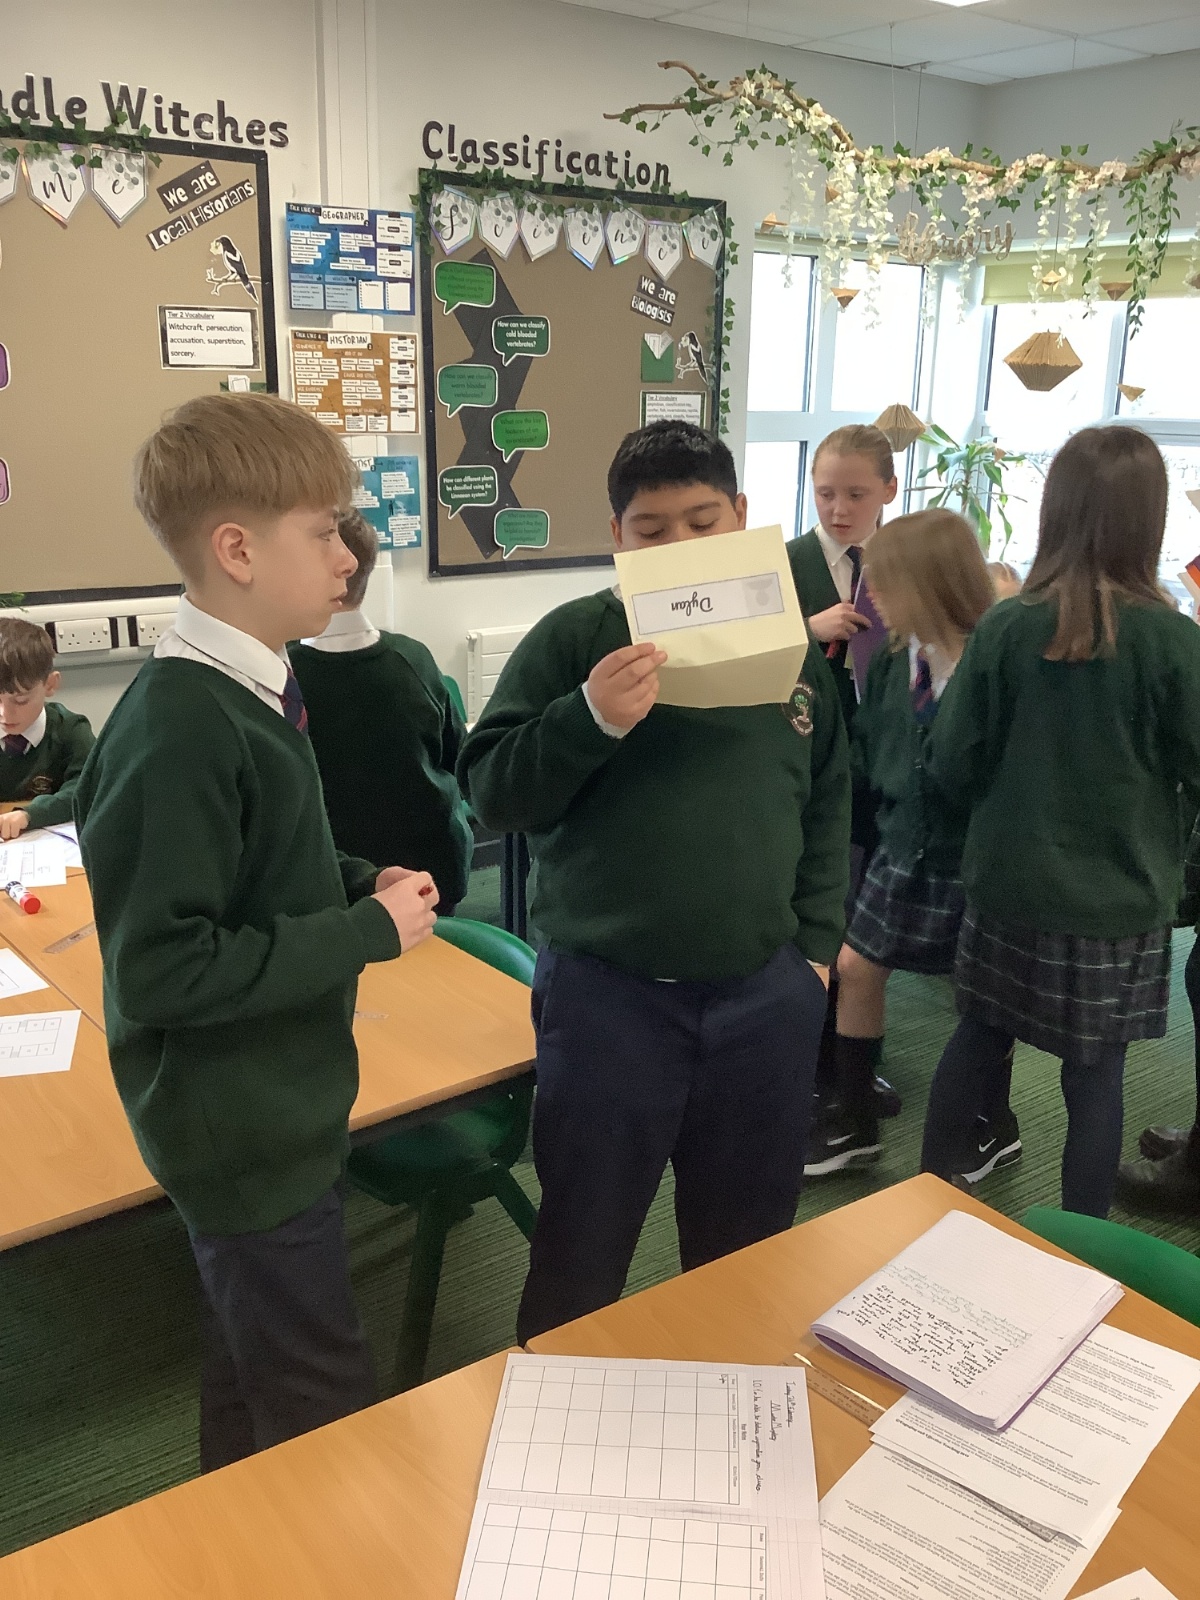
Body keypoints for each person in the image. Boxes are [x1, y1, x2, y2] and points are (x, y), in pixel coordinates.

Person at [75, 393, 440, 1471]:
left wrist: (357, 879)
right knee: (322, 1407)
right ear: (237, 550)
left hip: (278, 1102)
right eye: (324, 532)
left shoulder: (253, 686)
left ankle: (236, 1520)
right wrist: (363, 932)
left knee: (253, 1366)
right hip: (240, 1130)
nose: (349, 555)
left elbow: (264, 864)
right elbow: (162, 969)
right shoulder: (183, 724)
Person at [458, 420, 851, 1343]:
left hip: (764, 998)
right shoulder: (576, 638)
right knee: (582, 1246)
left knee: (745, 1250)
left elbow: (829, 799)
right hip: (610, 1001)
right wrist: (588, 717)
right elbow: (491, 793)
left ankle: (732, 1401)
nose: (679, 547)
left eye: (702, 524)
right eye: (652, 530)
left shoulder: (790, 650)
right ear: (617, 537)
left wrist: (814, 951)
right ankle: (557, 1405)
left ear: (741, 518)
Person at [920, 426, 1200, 1217]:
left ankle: (920, 1207)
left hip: (1009, 885)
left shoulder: (1007, 627)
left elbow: (951, 761)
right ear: (1149, 519)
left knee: (977, 1039)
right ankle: (1081, 1250)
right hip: (1119, 902)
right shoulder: (1175, 641)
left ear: (1056, 510)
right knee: (1096, 1078)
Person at [806, 510, 1005, 1177]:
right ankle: (855, 1119)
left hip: (970, 855)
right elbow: (873, 746)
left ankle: (992, 1120)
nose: (874, 600)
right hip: (902, 843)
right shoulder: (897, 657)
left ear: (931, 584)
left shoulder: (991, 664)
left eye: (886, 585)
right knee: (857, 968)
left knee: (982, 997)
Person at [788, 425, 901, 1120]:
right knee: (810, 910)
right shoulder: (784, 561)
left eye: (856, 494)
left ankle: (851, 1064)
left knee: (863, 926)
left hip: (882, 770)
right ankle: (804, 1061)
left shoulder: (902, 564)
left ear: (889, 489)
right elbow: (736, 655)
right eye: (825, 492)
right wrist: (806, 629)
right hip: (803, 766)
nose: (838, 509)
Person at [290, 509, 474, 915]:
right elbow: (457, 756)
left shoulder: (282, 673)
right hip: (431, 873)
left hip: (329, 883)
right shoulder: (413, 659)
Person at [0, 617, 94, 839]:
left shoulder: (71, 730)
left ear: (50, 685)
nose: (4, 714)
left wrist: (30, 814)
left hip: (49, 842)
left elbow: (87, 788)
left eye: (20, 700)